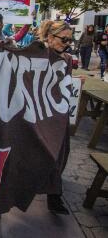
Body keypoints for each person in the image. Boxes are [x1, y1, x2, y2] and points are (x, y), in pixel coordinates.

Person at [38, 19, 74, 215]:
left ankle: (54, 195)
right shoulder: (36, 53)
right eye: (64, 39)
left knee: (60, 151)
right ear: (50, 37)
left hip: (57, 114)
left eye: (70, 40)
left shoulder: (67, 59)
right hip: (35, 113)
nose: (68, 43)